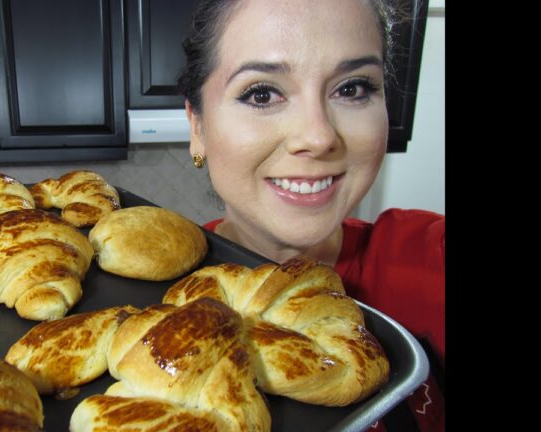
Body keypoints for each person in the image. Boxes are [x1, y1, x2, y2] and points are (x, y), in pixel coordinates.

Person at [177, 0, 444, 431]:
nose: (318, 137)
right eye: (262, 93)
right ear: (197, 126)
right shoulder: (149, 298)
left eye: (352, 89)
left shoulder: (432, 257)